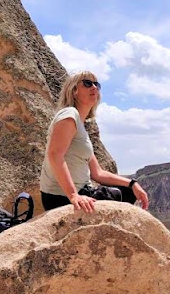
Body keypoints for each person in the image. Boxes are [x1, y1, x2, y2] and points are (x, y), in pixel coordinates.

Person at [40, 71, 150, 213]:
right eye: (87, 83)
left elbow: (97, 173)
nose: (94, 87)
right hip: (60, 197)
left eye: (96, 84)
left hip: (80, 191)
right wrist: (73, 195)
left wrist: (133, 183)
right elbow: (55, 154)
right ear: (74, 91)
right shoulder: (69, 114)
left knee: (127, 191)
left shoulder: (80, 126)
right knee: (118, 199)